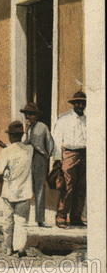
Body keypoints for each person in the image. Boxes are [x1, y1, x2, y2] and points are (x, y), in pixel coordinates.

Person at [0, 120, 33, 257]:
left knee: (8, 221)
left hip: (9, 191)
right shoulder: (30, 150)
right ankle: (21, 248)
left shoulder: (6, 151)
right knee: (22, 222)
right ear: (22, 135)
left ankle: (8, 247)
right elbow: (20, 150)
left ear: (10, 136)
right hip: (25, 191)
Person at [51, 91, 87, 229]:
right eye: (77, 102)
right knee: (67, 187)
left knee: (81, 187)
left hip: (85, 154)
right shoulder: (64, 120)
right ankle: (61, 216)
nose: (80, 105)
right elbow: (56, 140)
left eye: (83, 102)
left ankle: (76, 217)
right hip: (69, 155)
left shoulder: (88, 120)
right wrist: (57, 159)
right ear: (73, 104)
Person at [18, 102, 54, 228]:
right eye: (27, 114)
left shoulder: (43, 127)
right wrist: (26, 131)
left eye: (31, 114)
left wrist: (46, 156)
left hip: (39, 159)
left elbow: (50, 143)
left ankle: (40, 219)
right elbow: (23, 143)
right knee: (26, 188)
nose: (28, 117)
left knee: (39, 189)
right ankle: (24, 218)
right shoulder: (25, 128)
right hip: (27, 159)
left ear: (36, 116)